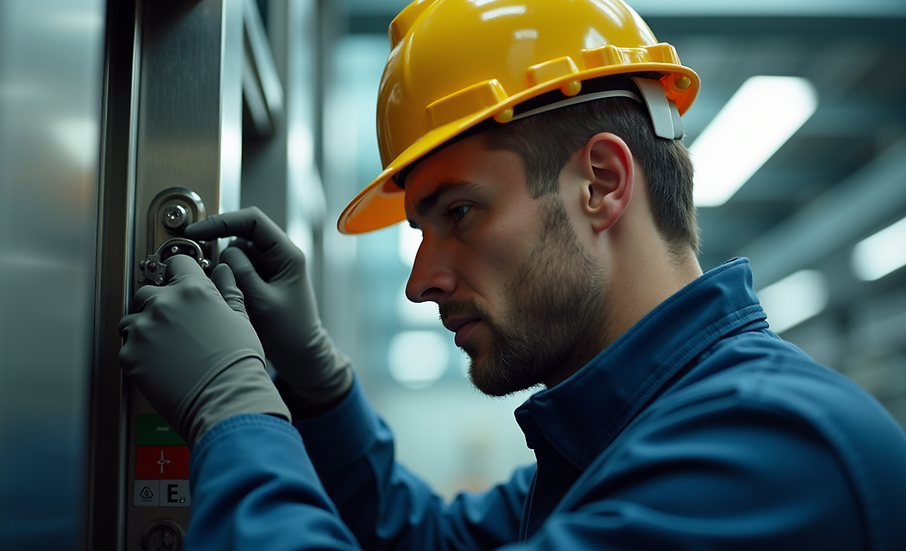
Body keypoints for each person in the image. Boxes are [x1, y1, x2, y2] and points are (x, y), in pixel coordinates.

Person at [118, 0, 906, 549]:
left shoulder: (765, 454)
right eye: (420, 230)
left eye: (457, 212)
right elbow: (419, 540)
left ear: (600, 182)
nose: (419, 280)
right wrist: (316, 387)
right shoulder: (620, 441)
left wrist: (235, 411)